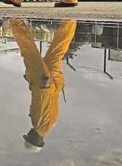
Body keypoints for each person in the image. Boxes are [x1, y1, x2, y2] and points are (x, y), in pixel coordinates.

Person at [8, 18, 76, 152]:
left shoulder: (50, 126)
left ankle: (70, 22)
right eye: (28, 136)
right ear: (33, 139)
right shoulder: (40, 126)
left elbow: (50, 104)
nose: (28, 133)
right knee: (28, 51)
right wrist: (44, 87)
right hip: (43, 83)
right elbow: (43, 104)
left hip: (54, 84)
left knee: (57, 50)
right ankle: (15, 21)